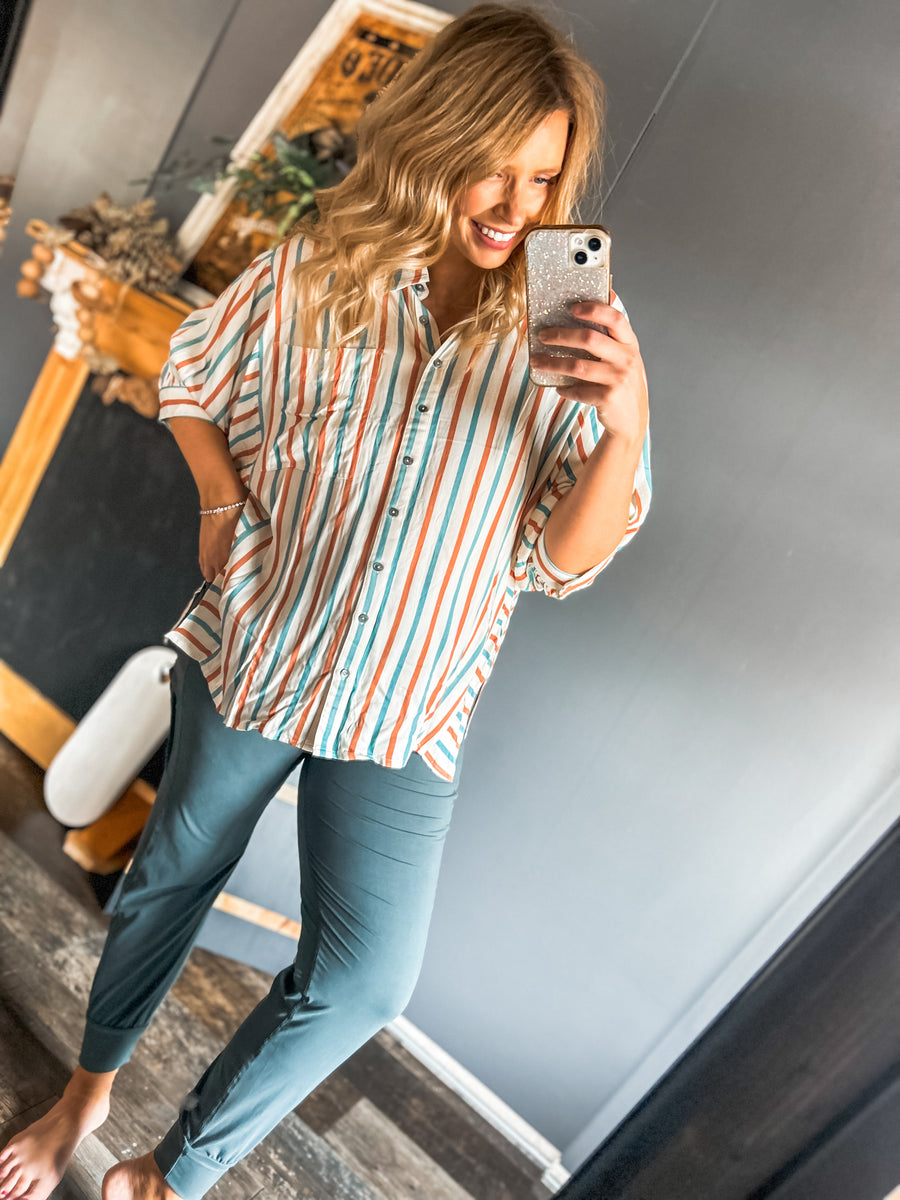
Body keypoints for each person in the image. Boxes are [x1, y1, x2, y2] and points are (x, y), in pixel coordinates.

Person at [0, 5, 650, 1199]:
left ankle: (170, 1174)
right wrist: (213, 499)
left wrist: (628, 424)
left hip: (410, 704)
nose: (514, 206)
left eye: (543, 177)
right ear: (433, 141)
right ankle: (77, 1101)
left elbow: (563, 561)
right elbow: (195, 370)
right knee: (165, 890)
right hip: (262, 649)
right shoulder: (325, 263)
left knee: (365, 980)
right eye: (487, 168)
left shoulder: (568, 330)